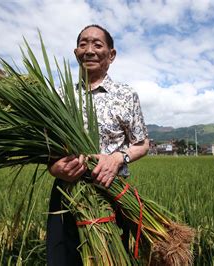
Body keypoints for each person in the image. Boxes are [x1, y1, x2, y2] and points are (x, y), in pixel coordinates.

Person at [46, 24, 150, 265]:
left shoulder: (125, 95)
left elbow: (142, 144)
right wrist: (54, 168)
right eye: (83, 44)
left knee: (109, 258)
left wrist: (116, 158)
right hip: (67, 193)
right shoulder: (60, 97)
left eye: (97, 44)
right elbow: (48, 148)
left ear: (111, 55)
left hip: (111, 192)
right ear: (75, 53)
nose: (89, 50)